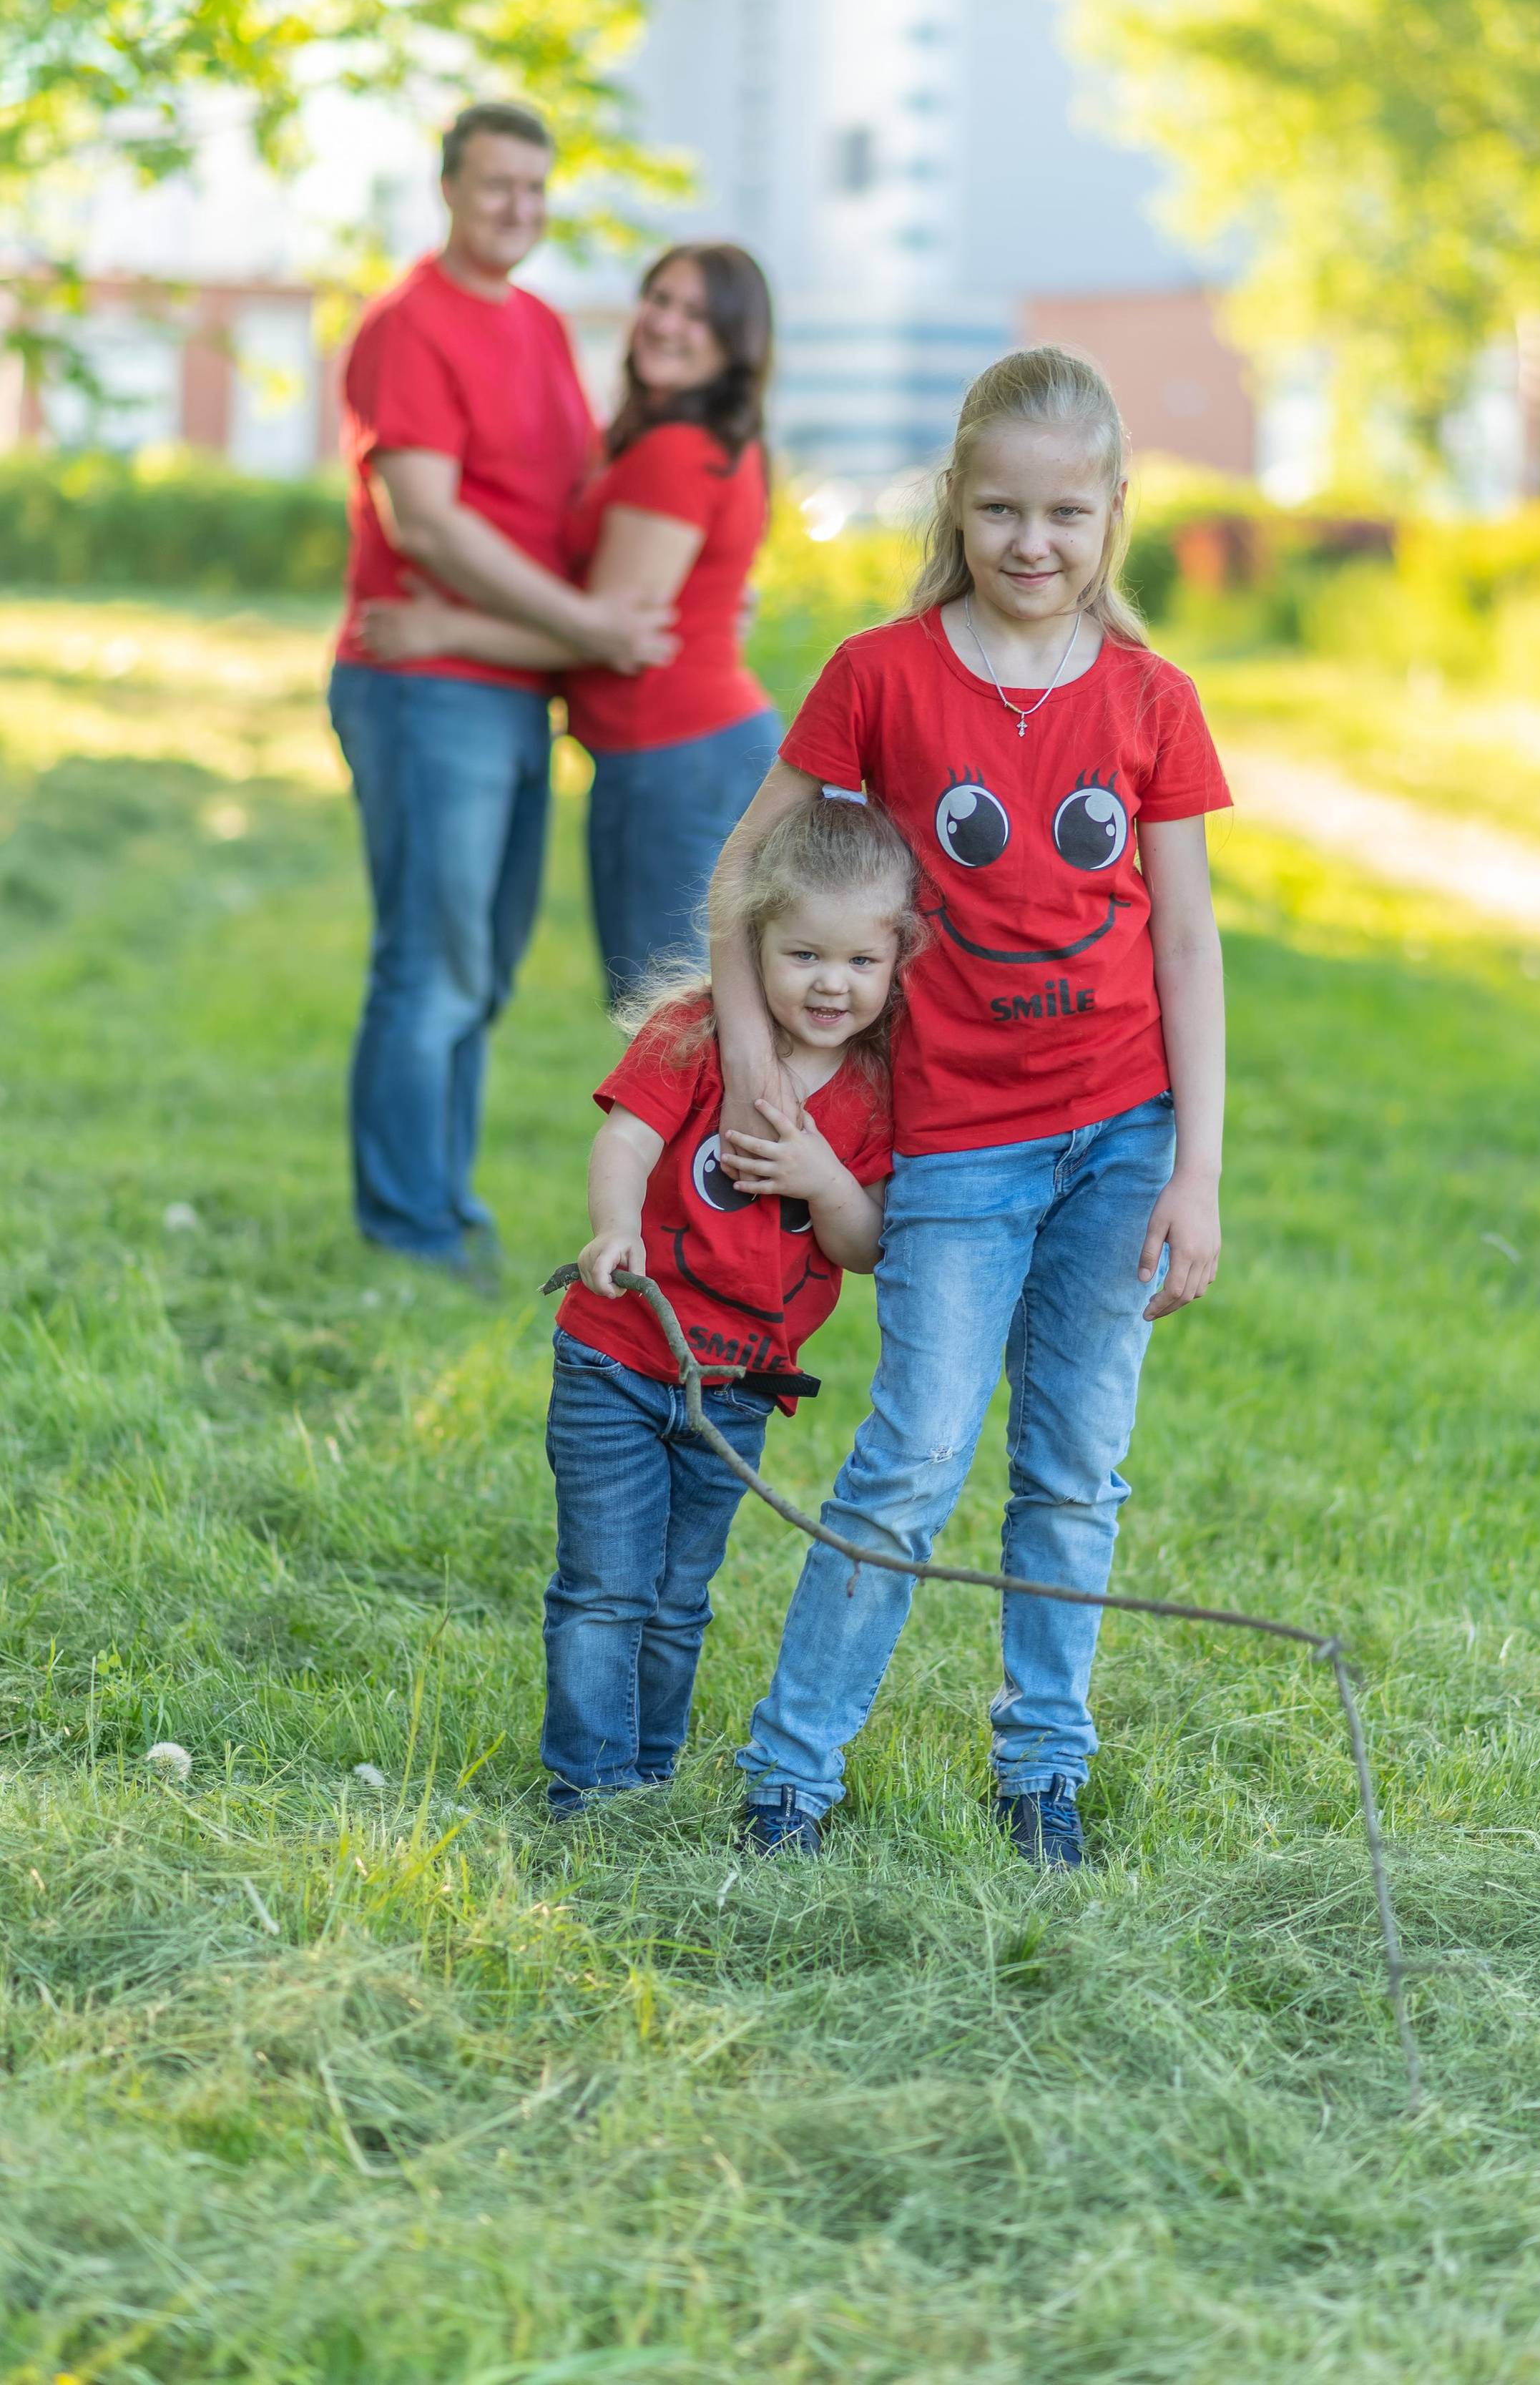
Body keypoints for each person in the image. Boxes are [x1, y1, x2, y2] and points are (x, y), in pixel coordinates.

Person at [710, 346, 1232, 1867]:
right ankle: (790, 1776)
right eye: (1000, 508)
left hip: (1120, 1134)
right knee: (913, 1460)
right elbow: (744, 876)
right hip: (959, 1142)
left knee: (1074, 1466)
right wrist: (752, 1052)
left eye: (1065, 513)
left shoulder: (1150, 699)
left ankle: (1041, 1771)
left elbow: (1184, 943)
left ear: (1114, 511)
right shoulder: (879, 676)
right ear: (955, 501)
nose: (1030, 543)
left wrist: (1193, 1171)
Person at [328, 100, 674, 1275]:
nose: (519, 208)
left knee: (484, 969)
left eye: (536, 188)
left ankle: (444, 1207)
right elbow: (421, 517)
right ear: (446, 188)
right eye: (496, 186)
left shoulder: (533, 321)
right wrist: (585, 623)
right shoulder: (407, 325)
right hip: (425, 688)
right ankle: (409, 1228)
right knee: (432, 967)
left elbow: (568, 493)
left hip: (507, 682)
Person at [540, 795, 922, 1816]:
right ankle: (588, 1785)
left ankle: (647, 1771)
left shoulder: (880, 1091)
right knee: (605, 1588)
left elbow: (865, 1242)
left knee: (675, 1599)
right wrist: (614, 1223)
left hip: (738, 1388)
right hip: (621, 1358)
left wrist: (821, 1173)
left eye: (859, 962)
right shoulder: (695, 1034)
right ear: (752, 940)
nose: (831, 984)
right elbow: (625, 1137)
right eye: (803, 955)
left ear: (897, 963)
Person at [361, 243, 780, 996]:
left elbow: (610, 635)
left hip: (674, 760)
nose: (666, 323)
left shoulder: (677, 453)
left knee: (669, 1026)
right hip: (686, 754)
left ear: (734, 340)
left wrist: (447, 630)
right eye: (659, 299)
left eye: (696, 313)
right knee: (694, 1019)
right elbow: (613, 620)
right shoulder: (681, 440)